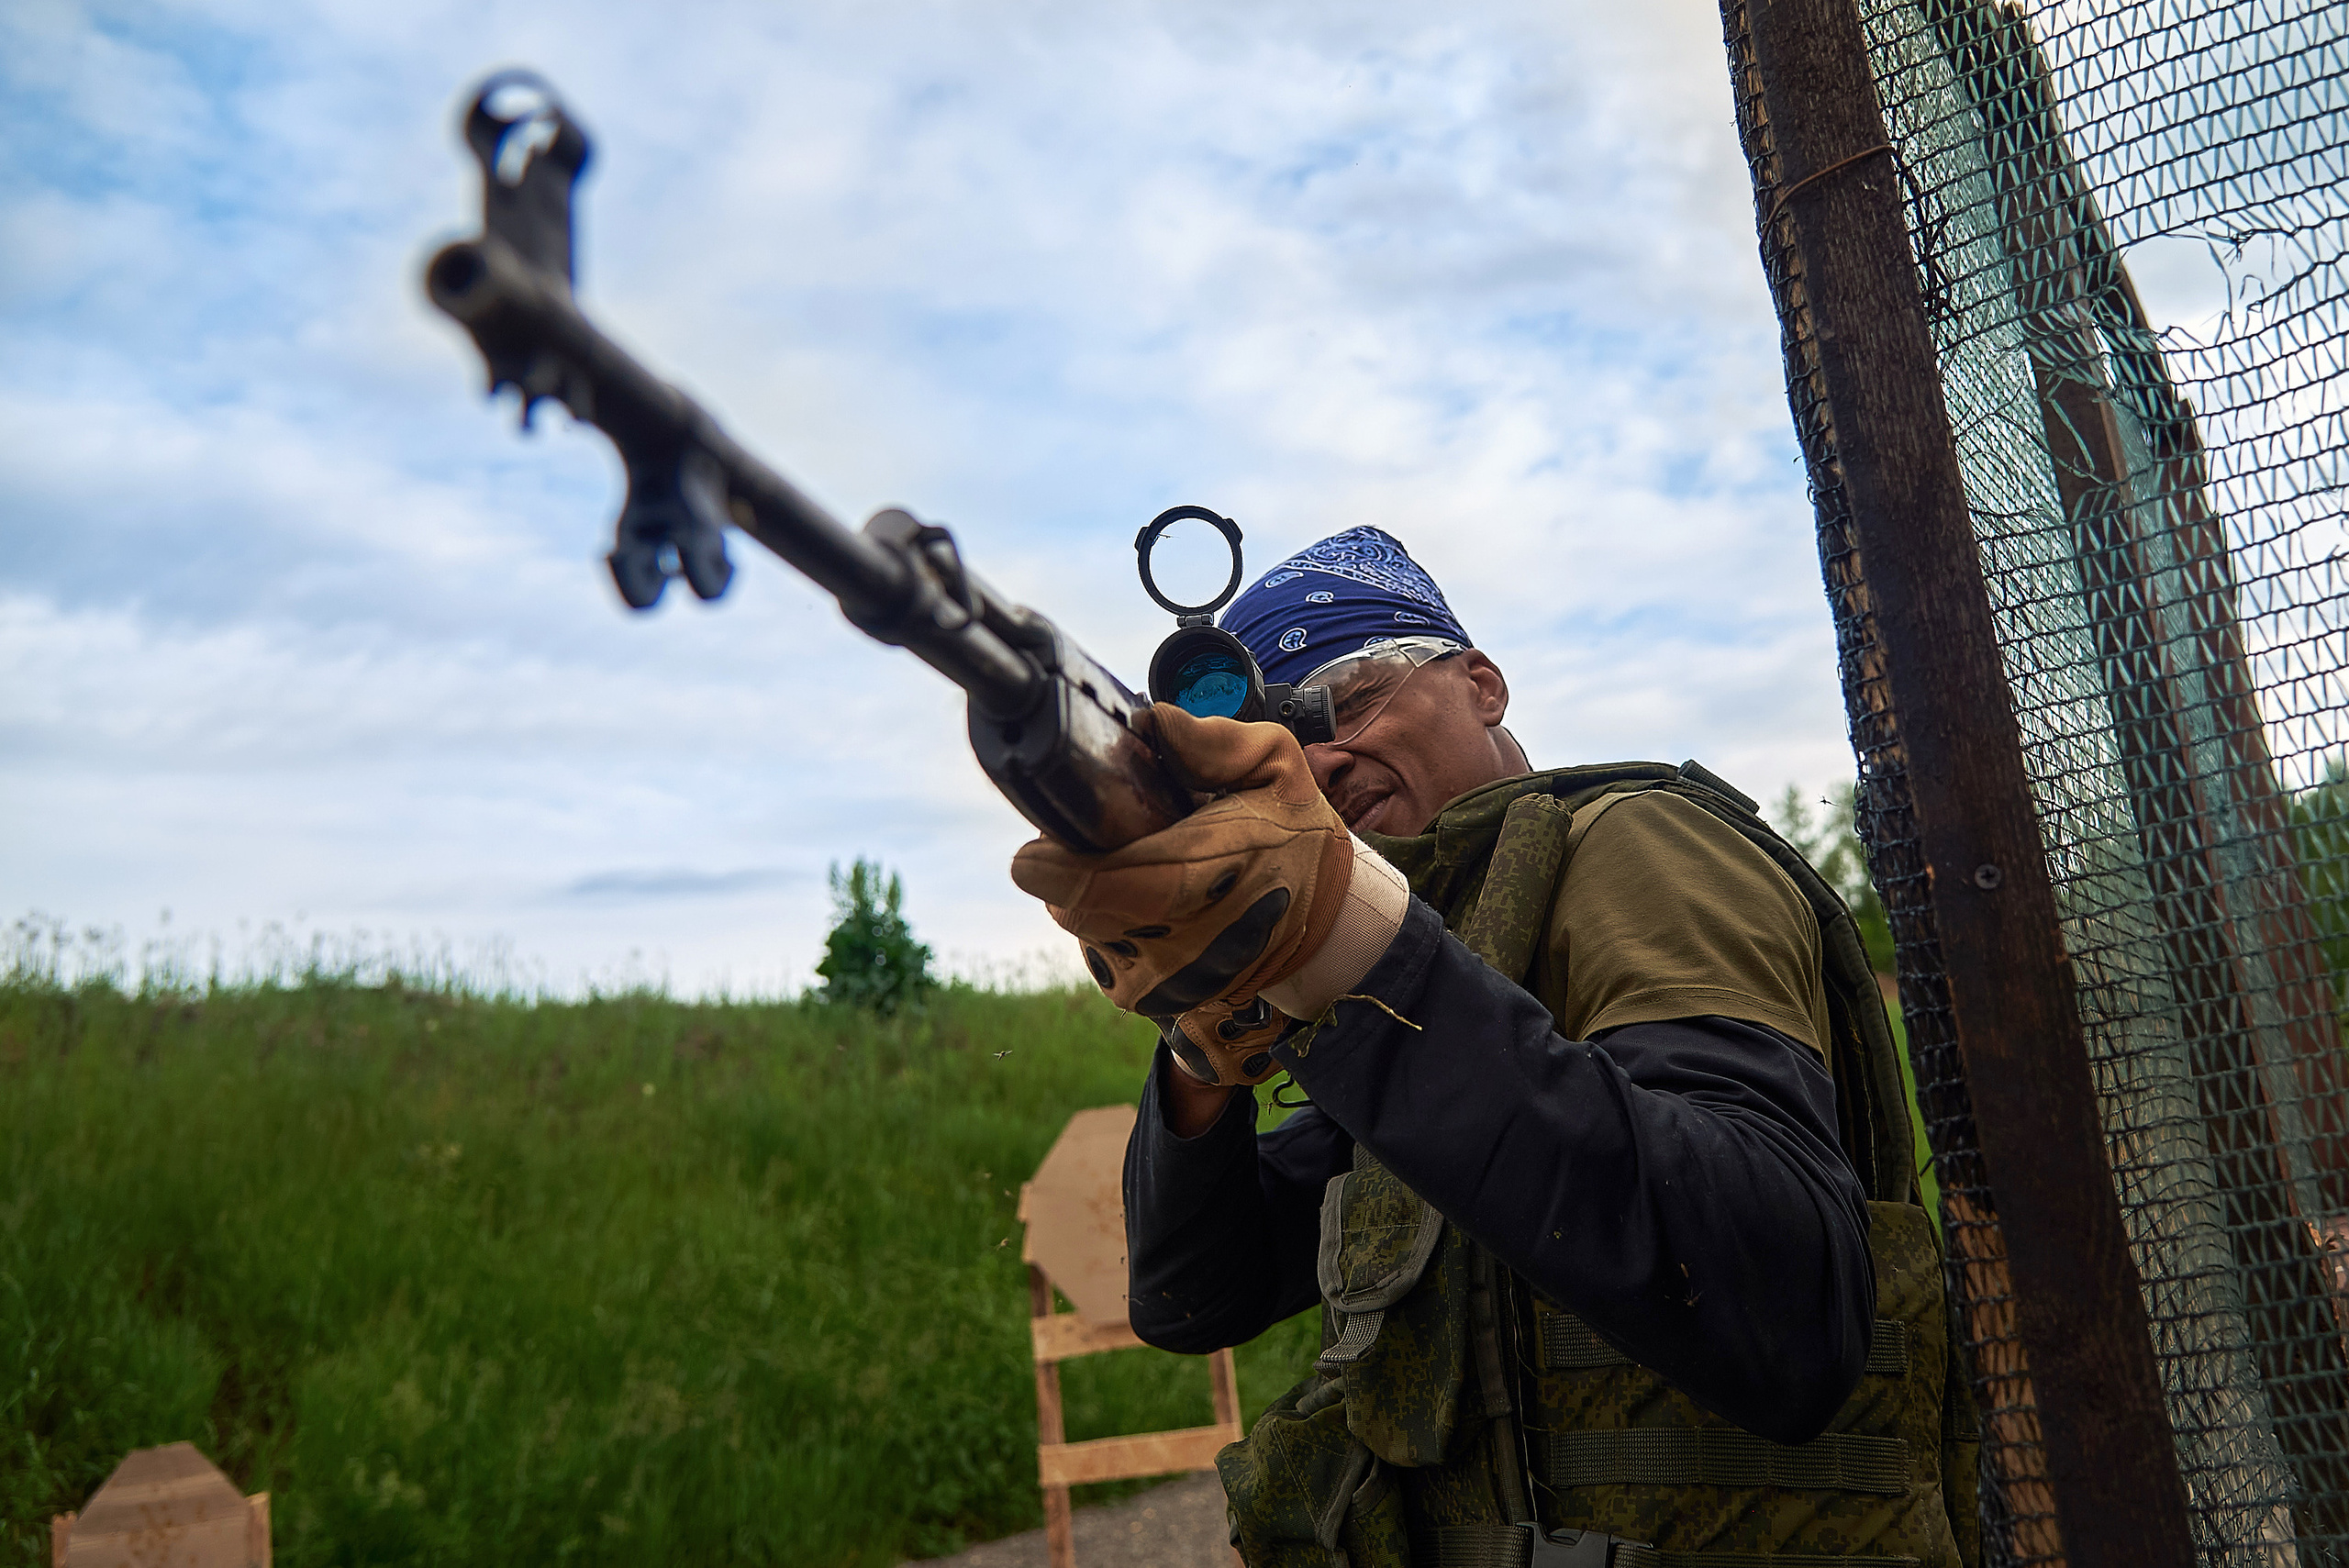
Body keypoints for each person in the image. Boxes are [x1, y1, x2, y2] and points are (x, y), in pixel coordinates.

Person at [1010, 528, 1972, 1567]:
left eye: (1348, 693)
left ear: (1481, 684)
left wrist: (1359, 949)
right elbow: (1194, 1295)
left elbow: (1787, 1312)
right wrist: (1205, 1033)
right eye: (1277, 733)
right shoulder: (1456, 950)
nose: (1321, 757)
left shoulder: (1632, 843)